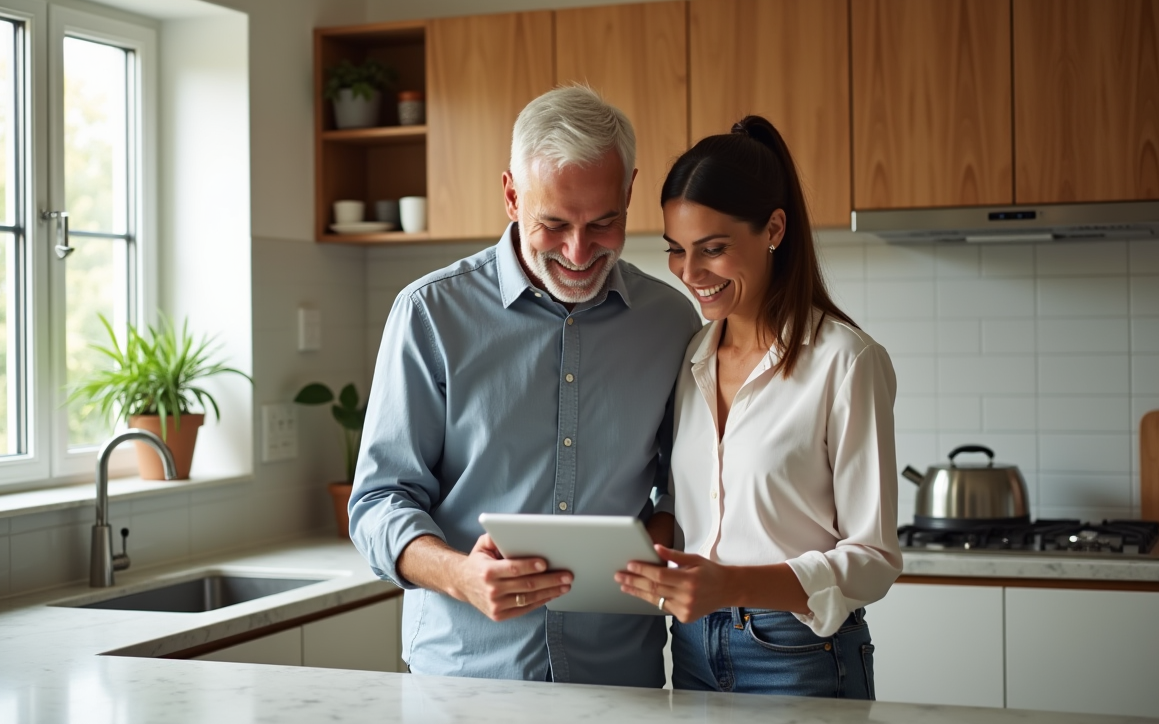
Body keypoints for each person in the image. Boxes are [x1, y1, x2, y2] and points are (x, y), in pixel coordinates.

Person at [348, 85, 701, 687]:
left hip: (618, 679)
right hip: (464, 678)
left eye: (604, 223)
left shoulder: (672, 322)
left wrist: (643, 553)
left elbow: (685, 489)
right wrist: (459, 574)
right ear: (512, 195)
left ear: (630, 192)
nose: (579, 250)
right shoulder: (430, 314)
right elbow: (378, 502)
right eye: (555, 223)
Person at [615, 115, 902, 698]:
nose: (689, 274)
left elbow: (873, 560)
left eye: (713, 250)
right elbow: (691, 505)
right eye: (676, 250)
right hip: (692, 646)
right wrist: (634, 550)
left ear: (773, 228)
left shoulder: (845, 362)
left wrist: (731, 585)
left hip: (799, 654)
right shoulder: (691, 357)